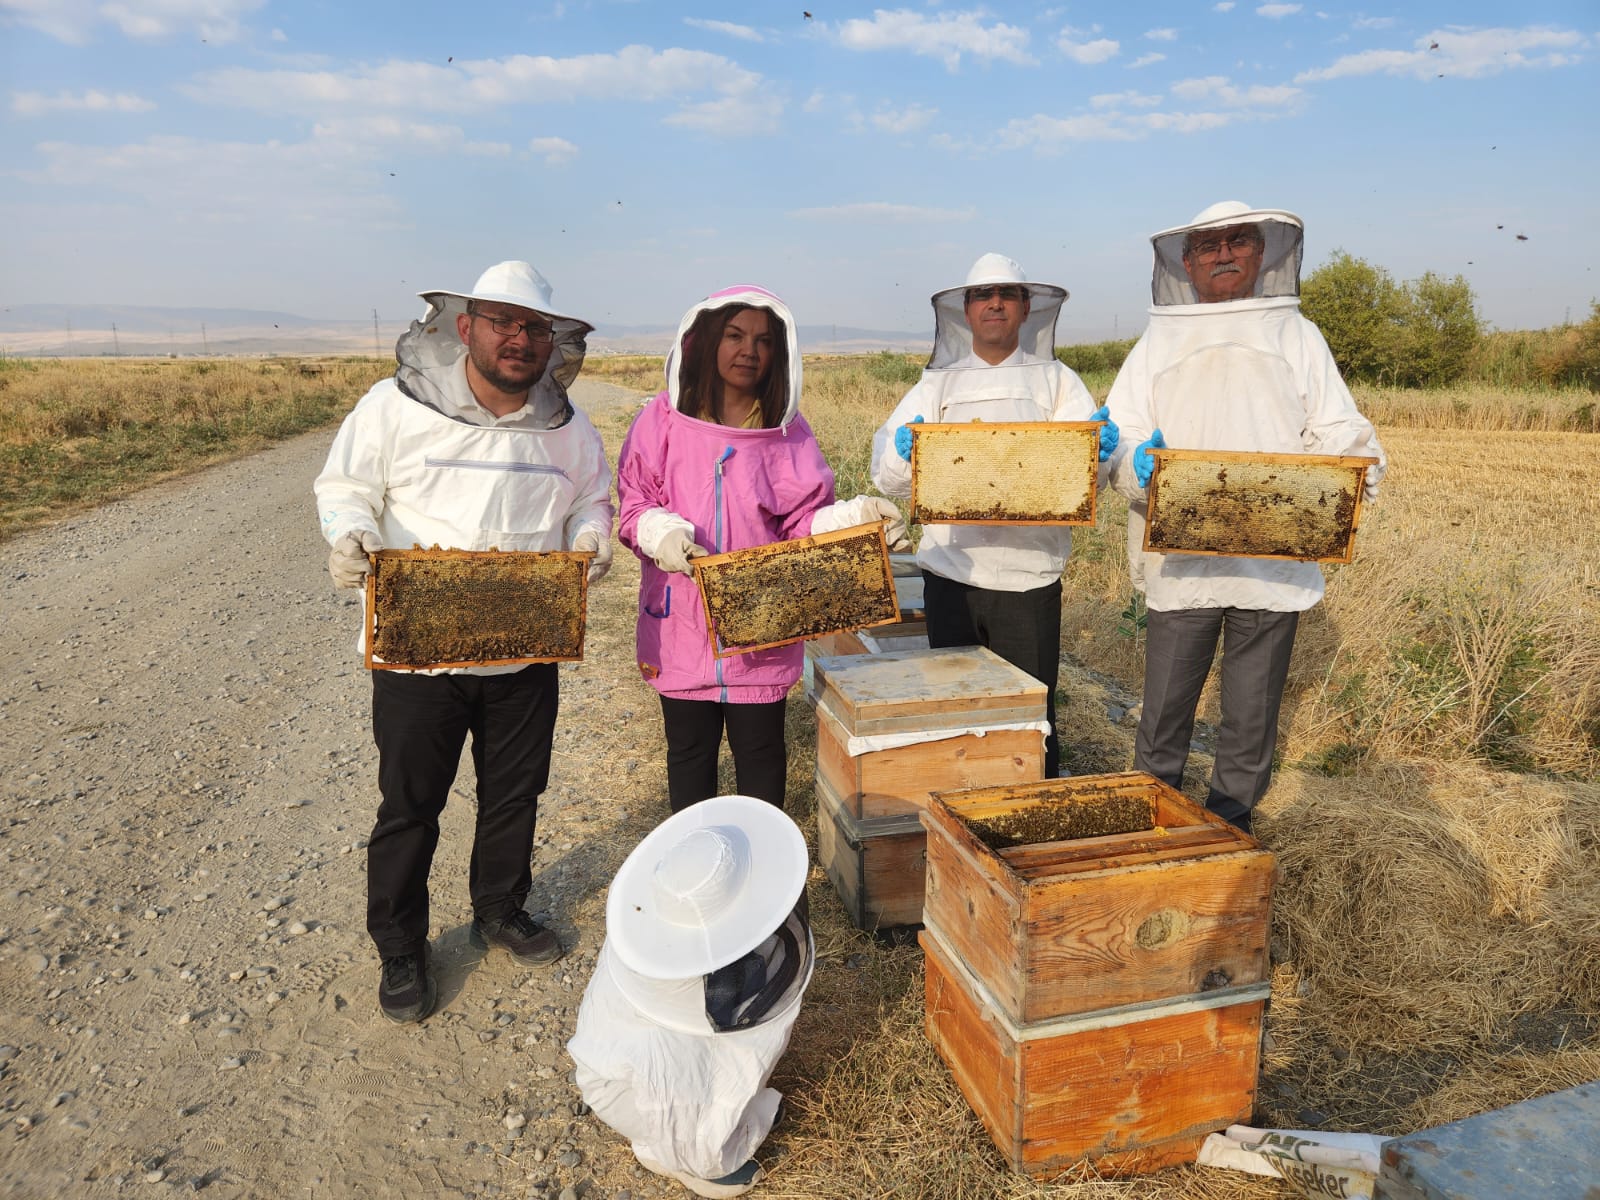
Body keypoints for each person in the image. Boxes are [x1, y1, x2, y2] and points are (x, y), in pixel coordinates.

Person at [313, 260, 615, 1023]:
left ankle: (500, 907)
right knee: (409, 805)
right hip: (422, 651)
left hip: (525, 649)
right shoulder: (391, 408)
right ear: (465, 327)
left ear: (554, 342)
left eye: (535, 328)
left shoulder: (567, 427)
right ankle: (401, 945)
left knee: (514, 794)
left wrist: (591, 540)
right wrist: (348, 533)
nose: (520, 339)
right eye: (504, 322)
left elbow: (590, 501)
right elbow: (345, 487)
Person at [1105, 201, 1387, 834]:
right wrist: (1131, 462)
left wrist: (1352, 470)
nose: (1224, 254)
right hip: (1181, 559)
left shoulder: (1298, 335)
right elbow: (1119, 431)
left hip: (1271, 562)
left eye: (1239, 242)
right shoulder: (1158, 339)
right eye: (1209, 246)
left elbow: (1342, 429)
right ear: (1186, 261)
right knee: (1165, 709)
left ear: (1264, 255)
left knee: (1251, 715)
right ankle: (1147, 828)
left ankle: (1227, 830)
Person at [616, 284, 907, 814]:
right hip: (681, 623)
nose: (748, 349)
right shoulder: (660, 421)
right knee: (688, 755)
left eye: (762, 339)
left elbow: (804, 521)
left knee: (761, 754)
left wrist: (853, 519)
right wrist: (661, 532)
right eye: (734, 335)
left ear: (779, 353)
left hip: (763, 627)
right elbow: (633, 506)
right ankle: (697, 875)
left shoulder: (788, 433)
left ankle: (768, 885)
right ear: (705, 341)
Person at [869, 254, 1118, 777]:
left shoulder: (1058, 381)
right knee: (961, 712)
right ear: (965, 309)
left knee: (1029, 716)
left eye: (1006, 294)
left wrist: (1099, 454)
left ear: (1027, 307)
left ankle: (1034, 809)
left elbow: (1086, 477)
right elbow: (887, 475)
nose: (995, 304)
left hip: (1028, 577)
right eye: (983, 295)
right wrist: (900, 451)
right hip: (950, 575)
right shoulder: (936, 384)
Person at [567, 794, 813, 1199]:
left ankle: (732, 1118)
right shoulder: (667, 998)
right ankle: (693, 1159)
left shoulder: (656, 935)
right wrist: (701, 1140)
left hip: (629, 1068)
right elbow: (686, 1069)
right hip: (632, 1091)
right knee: (702, 1067)